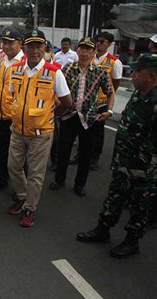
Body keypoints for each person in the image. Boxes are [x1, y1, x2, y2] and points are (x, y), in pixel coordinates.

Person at [76, 54, 156, 258]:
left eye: (138, 72)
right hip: (124, 161)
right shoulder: (138, 94)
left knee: (139, 205)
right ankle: (103, 230)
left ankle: (132, 241)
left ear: (151, 77)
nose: (134, 75)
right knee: (114, 197)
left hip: (143, 167)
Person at [6, 30, 72, 227]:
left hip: (41, 133)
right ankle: (22, 196)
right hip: (17, 130)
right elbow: (13, 95)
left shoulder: (54, 72)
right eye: (31, 46)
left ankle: (29, 208)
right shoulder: (16, 69)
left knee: (35, 173)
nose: (34, 50)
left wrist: (51, 116)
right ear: (24, 48)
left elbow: (67, 102)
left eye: (39, 46)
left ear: (45, 49)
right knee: (13, 166)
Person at [49, 37, 114, 197]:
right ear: (77, 50)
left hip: (89, 119)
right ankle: (59, 179)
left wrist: (109, 111)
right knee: (63, 150)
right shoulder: (68, 69)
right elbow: (56, 89)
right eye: (82, 49)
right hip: (68, 116)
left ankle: (80, 184)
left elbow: (110, 92)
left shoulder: (100, 72)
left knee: (85, 153)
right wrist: (59, 105)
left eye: (88, 49)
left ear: (93, 52)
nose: (84, 52)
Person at [0, 27, 25, 190]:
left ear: (20, 43)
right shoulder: (0, 59)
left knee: (17, 156)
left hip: (14, 117)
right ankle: (1, 179)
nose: (7, 46)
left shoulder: (25, 62)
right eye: (5, 42)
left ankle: (20, 188)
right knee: (0, 148)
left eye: (11, 43)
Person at [89, 31, 123, 169]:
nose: (98, 44)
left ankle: (95, 156)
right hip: (88, 100)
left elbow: (115, 84)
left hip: (102, 103)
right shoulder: (91, 57)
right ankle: (82, 153)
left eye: (102, 41)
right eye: (97, 41)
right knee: (85, 128)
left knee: (98, 131)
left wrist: (107, 100)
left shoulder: (114, 62)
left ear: (109, 44)